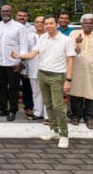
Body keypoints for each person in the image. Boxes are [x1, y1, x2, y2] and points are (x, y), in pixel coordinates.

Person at [12, 15, 75, 149]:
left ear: (57, 24)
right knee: (49, 105)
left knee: (58, 106)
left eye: (51, 23)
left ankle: (64, 135)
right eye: (46, 24)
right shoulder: (43, 39)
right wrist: (19, 55)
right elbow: (33, 54)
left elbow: (70, 60)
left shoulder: (66, 40)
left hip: (57, 76)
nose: (48, 26)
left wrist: (68, 80)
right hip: (42, 74)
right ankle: (54, 131)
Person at [0, 5, 28, 122]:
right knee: (1, 87)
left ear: (11, 12)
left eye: (7, 11)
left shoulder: (19, 27)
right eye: (3, 11)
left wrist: (22, 62)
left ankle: (13, 110)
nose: (5, 13)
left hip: (14, 63)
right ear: (0, 13)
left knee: (13, 88)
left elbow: (24, 46)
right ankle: (2, 108)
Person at [69, 14, 93, 130]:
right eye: (85, 22)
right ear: (81, 24)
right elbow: (70, 51)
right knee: (76, 93)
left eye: (90, 23)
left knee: (92, 93)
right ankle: (76, 116)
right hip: (76, 70)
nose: (88, 25)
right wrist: (77, 43)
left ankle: (89, 117)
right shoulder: (74, 34)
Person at [25, 16, 47, 121]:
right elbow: (25, 52)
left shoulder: (49, 36)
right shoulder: (29, 36)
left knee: (47, 93)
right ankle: (38, 113)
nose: (39, 24)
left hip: (47, 69)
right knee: (36, 92)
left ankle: (48, 116)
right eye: (37, 22)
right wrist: (24, 69)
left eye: (41, 22)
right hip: (32, 68)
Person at [16, 9, 35, 118]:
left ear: (27, 17)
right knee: (12, 87)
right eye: (20, 15)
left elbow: (32, 48)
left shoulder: (32, 29)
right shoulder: (11, 26)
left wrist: (23, 62)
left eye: (24, 16)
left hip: (27, 62)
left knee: (27, 86)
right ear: (16, 16)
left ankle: (28, 107)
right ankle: (12, 107)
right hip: (12, 62)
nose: (22, 17)